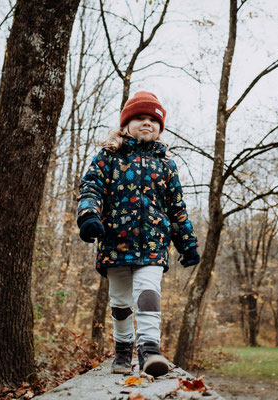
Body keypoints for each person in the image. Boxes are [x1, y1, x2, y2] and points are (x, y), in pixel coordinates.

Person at [76, 91, 200, 377]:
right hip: (115, 244)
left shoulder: (166, 165)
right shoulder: (109, 157)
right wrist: (89, 216)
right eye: (140, 118)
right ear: (126, 124)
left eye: (153, 120)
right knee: (120, 302)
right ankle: (122, 349)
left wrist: (187, 243)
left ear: (160, 127)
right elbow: (91, 188)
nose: (147, 123)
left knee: (148, 294)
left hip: (154, 245)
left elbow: (176, 208)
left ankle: (149, 350)